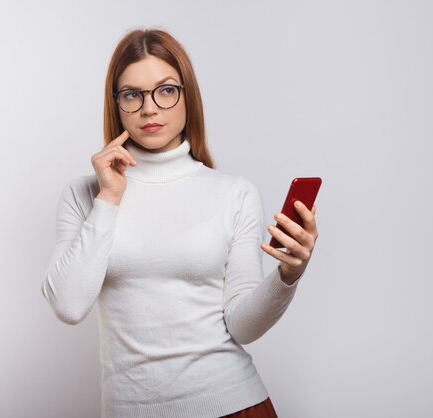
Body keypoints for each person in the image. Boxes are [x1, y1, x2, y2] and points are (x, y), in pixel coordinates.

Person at [41, 27, 319, 418]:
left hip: (231, 403)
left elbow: (242, 326)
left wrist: (288, 275)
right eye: (132, 95)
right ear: (116, 104)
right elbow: (68, 305)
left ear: (188, 96)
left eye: (166, 90)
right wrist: (108, 199)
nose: (149, 108)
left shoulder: (233, 193)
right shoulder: (83, 195)